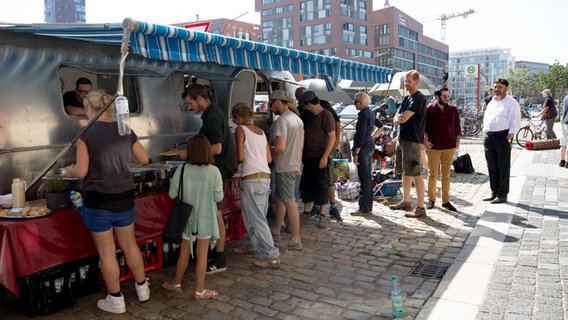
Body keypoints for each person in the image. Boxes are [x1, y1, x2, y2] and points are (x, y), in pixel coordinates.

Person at [64, 90, 150, 314]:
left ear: (90, 108)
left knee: (107, 252)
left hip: (98, 199)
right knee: (130, 244)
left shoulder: (86, 134)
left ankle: (116, 299)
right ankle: (142, 289)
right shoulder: (124, 129)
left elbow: (81, 171)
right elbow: (144, 159)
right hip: (124, 195)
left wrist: (69, 171)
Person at [181, 83, 237, 274]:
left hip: (218, 170)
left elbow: (217, 148)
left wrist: (189, 152)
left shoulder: (212, 116)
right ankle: (216, 254)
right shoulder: (213, 113)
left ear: (199, 98)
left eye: (190, 103)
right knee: (216, 215)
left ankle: (219, 258)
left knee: (217, 216)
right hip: (219, 170)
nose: (189, 108)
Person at [161, 134, 222, 299]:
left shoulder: (182, 169)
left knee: (184, 252)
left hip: (186, 217)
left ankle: (176, 283)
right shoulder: (214, 171)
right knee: (203, 254)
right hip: (206, 218)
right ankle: (199, 290)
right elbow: (219, 197)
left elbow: (173, 194)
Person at [231, 102, 280, 268]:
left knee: (257, 219)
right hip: (265, 176)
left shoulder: (240, 130)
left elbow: (239, 156)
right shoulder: (260, 132)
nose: (234, 121)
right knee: (258, 216)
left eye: (234, 117)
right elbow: (268, 159)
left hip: (251, 177)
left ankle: (271, 255)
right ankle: (252, 243)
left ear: (238, 117)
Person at [294, 87, 342, 221]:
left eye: (304, 105)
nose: (304, 108)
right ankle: (307, 210)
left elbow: (331, 136)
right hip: (308, 156)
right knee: (307, 184)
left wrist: (325, 156)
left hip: (320, 155)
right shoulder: (309, 116)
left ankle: (322, 213)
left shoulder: (326, 115)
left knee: (322, 185)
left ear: (309, 104)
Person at [388, 70, 428, 218]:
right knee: (405, 172)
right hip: (402, 139)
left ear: (416, 82)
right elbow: (396, 117)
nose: (406, 84)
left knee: (416, 174)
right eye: (405, 81)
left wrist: (400, 117)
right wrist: (399, 117)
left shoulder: (419, 98)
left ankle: (421, 207)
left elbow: (403, 118)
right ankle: (406, 201)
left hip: (412, 141)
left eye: (409, 81)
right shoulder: (407, 98)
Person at [268, 90, 304, 250]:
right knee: (284, 198)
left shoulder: (282, 120)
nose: (270, 108)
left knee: (290, 201)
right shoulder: (297, 119)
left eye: (271, 104)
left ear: (277, 102)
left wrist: (267, 149)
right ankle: (276, 229)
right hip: (294, 163)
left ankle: (295, 239)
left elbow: (281, 147)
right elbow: (301, 146)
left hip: (284, 165)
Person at [482, 78, 521, 204]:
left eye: (500, 87)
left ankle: (502, 194)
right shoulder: (492, 102)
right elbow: (487, 118)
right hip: (489, 137)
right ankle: (494, 191)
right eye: (496, 87)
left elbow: (515, 120)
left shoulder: (511, 102)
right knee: (491, 165)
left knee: (502, 166)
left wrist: (509, 138)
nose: (497, 89)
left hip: (502, 137)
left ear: (506, 88)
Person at [424, 87, 462, 212]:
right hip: (433, 146)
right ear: (437, 96)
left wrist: (457, 141)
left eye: (447, 96)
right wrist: (425, 141)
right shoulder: (429, 109)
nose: (446, 98)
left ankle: (446, 201)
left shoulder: (453, 109)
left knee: (446, 175)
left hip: (449, 146)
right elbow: (422, 127)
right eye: (444, 96)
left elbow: (457, 126)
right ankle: (431, 199)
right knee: (432, 174)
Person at [351, 92, 383, 216]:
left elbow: (361, 135)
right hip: (369, 145)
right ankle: (368, 206)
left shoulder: (364, 115)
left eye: (355, 102)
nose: (354, 104)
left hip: (363, 147)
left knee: (364, 178)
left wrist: (356, 152)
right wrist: (372, 137)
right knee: (368, 178)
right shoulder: (370, 112)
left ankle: (363, 207)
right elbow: (380, 126)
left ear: (360, 102)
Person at [559, 95, 568, 168]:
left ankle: (562, 161)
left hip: (563, 121)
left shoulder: (566, 97)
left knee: (564, 143)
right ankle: (567, 163)